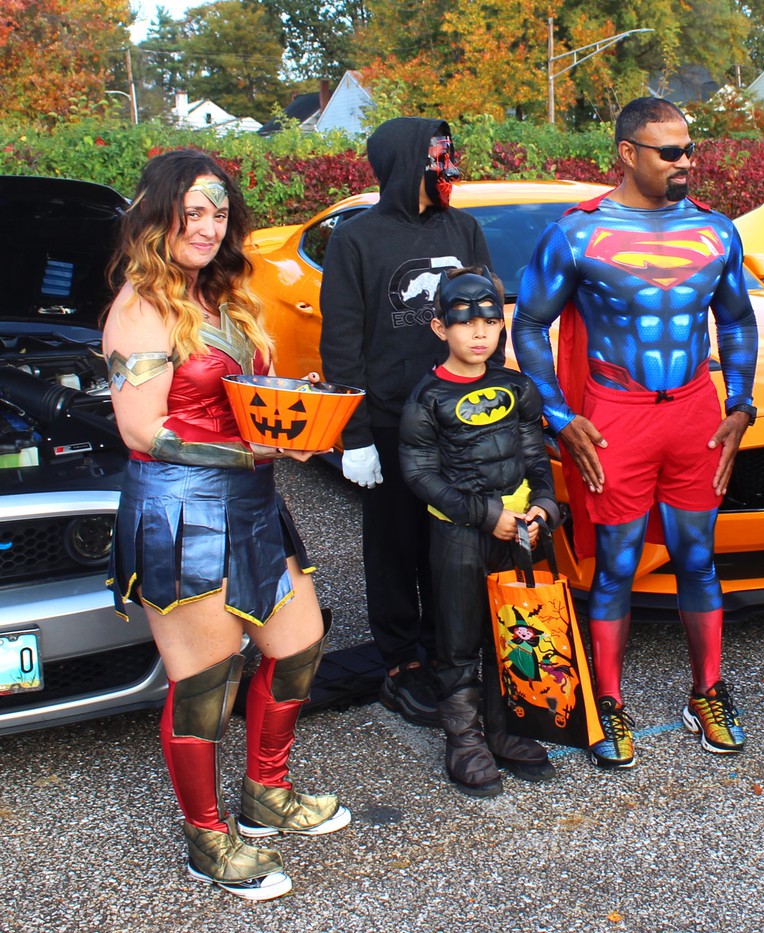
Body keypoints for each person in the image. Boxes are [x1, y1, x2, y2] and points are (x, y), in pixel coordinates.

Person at [104, 150, 349, 900]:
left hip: (253, 500)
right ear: (158, 216)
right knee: (206, 681)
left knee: (299, 645)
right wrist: (254, 446)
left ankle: (266, 794)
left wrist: (292, 400)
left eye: (219, 213)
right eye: (193, 213)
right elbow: (143, 431)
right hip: (181, 510)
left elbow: (238, 393)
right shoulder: (140, 307)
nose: (208, 227)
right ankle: (207, 839)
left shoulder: (223, 294)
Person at [512, 97, 759, 770]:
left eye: (689, 148)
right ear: (627, 153)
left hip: (694, 413)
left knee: (698, 557)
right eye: (670, 152)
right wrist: (560, 415)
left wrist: (740, 401)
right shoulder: (577, 234)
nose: (687, 162)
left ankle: (707, 691)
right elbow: (528, 323)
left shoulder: (716, 231)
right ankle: (609, 700)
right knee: (617, 563)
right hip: (615, 414)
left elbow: (737, 319)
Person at [319, 117, 493, 728]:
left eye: (449, 153)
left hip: (459, 417)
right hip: (391, 422)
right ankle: (400, 665)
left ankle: (452, 654)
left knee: (452, 546)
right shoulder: (356, 238)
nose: (447, 166)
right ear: (404, 162)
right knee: (394, 548)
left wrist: (493, 404)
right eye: (436, 155)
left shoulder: (464, 228)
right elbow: (341, 342)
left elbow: (485, 321)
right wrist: (355, 435)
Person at [398, 267, 561, 796]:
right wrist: (483, 513)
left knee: (515, 630)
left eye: (491, 320)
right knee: (461, 638)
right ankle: (464, 741)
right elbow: (420, 474)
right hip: (461, 537)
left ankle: (508, 727)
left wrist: (544, 506)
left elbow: (535, 456)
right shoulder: (427, 399)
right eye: (465, 322)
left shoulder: (516, 386)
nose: (479, 333)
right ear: (440, 327)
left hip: (520, 535)